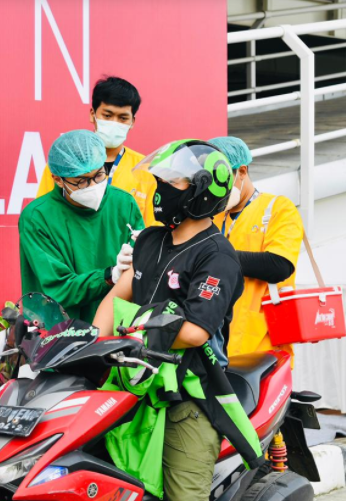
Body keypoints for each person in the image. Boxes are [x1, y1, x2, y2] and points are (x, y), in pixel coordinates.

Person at [92, 140, 263, 501]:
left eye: (173, 181)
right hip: (134, 380)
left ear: (202, 192)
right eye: (161, 179)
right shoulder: (151, 240)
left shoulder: (217, 256)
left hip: (190, 396)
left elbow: (195, 332)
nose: (161, 188)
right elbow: (115, 298)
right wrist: (91, 342)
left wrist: (130, 329)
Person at [19, 129, 144, 323]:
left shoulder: (124, 204)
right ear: (58, 179)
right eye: (81, 181)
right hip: (60, 334)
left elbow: (140, 271)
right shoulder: (37, 218)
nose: (93, 185)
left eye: (99, 175)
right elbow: (59, 289)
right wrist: (111, 275)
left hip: (116, 328)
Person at [210, 136, 304, 360]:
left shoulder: (278, 208)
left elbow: (279, 265)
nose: (218, 189)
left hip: (264, 350)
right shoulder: (212, 216)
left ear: (241, 171)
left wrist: (214, 257)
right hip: (214, 346)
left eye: (223, 179)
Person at [36, 77, 157, 226]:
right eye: (107, 115)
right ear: (92, 114)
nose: (114, 123)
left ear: (132, 121)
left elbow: (153, 229)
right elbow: (43, 217)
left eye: (123, 118)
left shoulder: (145, 170)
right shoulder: (63, 163)